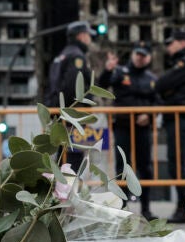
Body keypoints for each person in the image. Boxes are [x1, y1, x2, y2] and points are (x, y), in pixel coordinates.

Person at [100, 40, 159, 220]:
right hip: (122, 126)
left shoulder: (152, 79)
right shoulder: (119, 72)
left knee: (145, 166)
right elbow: (102, 86)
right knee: (123, 166)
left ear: (149, 58)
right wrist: (107, 70)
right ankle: (122, 207)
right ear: (133, 54)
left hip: (142, 128)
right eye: (137, 54)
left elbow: (158, 102)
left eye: (143, 55)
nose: (140, 58)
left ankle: (146, 208)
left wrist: (149, 116)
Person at [156, 28, 185, 223]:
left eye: (171, 42)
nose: (168, 47)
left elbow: (161, 84)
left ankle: (184, 207)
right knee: (176, 164)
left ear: (183, 43)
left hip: (180, 117)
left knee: (177, 164)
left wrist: (165, 90)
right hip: (176, 118)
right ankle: (183, 207)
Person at [45, 20, 96, 170]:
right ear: (81, 36)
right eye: (88, 35)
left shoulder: (62, 55)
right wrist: (73, 112)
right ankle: (69, 185)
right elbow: (73, 87)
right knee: (72, 161)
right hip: (71, 116)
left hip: (59, 114)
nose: (90, 39)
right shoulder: (76, 56)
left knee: (62, 158)